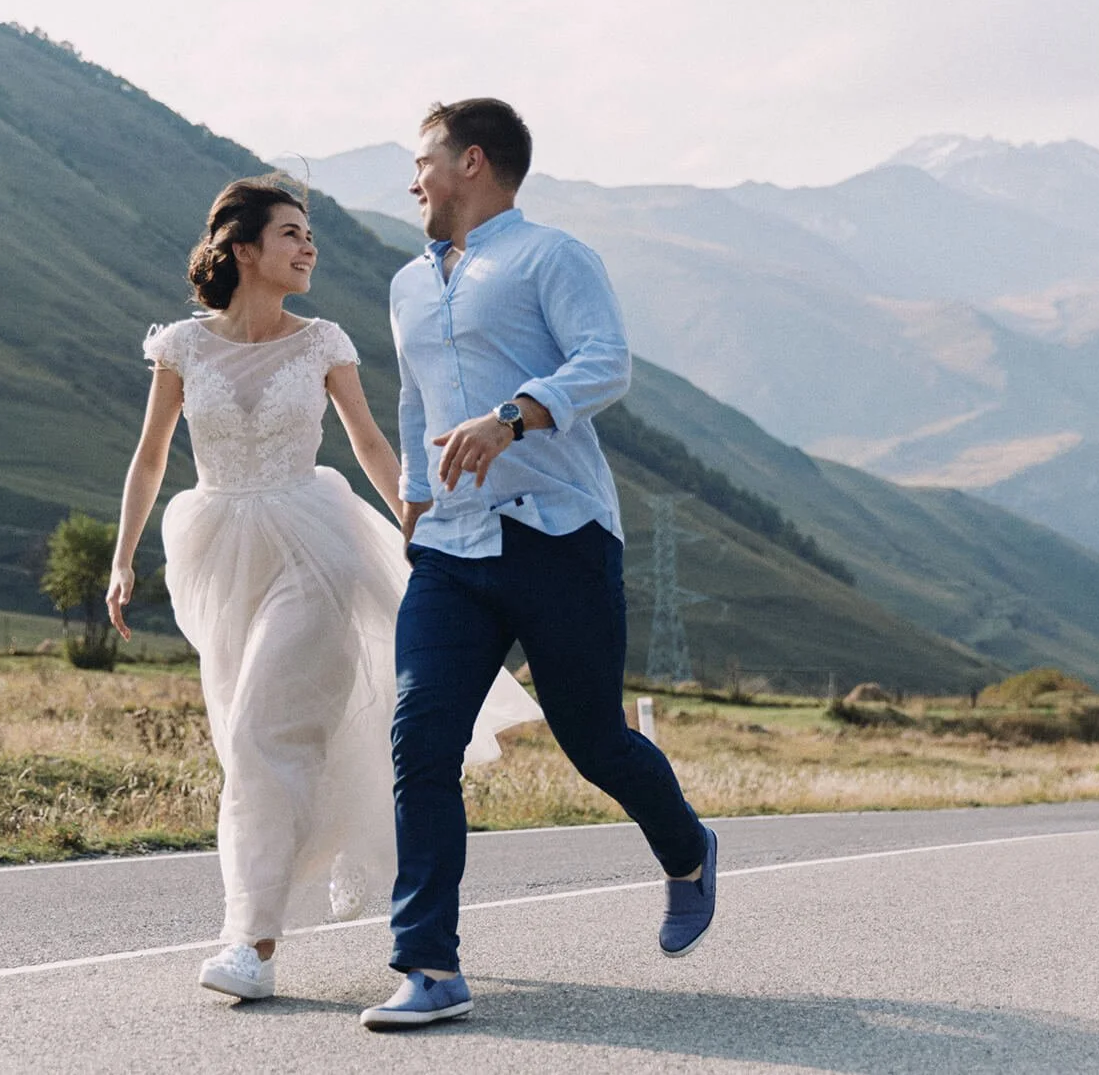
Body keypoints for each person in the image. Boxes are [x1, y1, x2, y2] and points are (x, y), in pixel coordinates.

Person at [105, 173, 538, 1004]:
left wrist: (421, 526)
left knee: (267, 729)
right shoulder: (183, 348)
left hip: (315, 545)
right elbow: (151, 457)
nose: (309, 248)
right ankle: (291, 875)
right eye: (292, 234)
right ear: (242, 249)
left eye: (310, 236)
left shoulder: (324, 342)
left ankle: (251, 943)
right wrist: (123, 556)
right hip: (220, 550)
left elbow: (374, 445)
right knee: (248, 742)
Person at [359, 100, 718, 1032]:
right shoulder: (406, 285)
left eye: (423, 161)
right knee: (420, 742)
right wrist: (414, 502)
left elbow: (607, 363)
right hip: (450, 550)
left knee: (594, 738)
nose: (413, 182)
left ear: (472, 162)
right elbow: (415, 399)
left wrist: (513, 416)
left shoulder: (553, 257)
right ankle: (428, 963)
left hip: (559, 533)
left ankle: (686, 850)